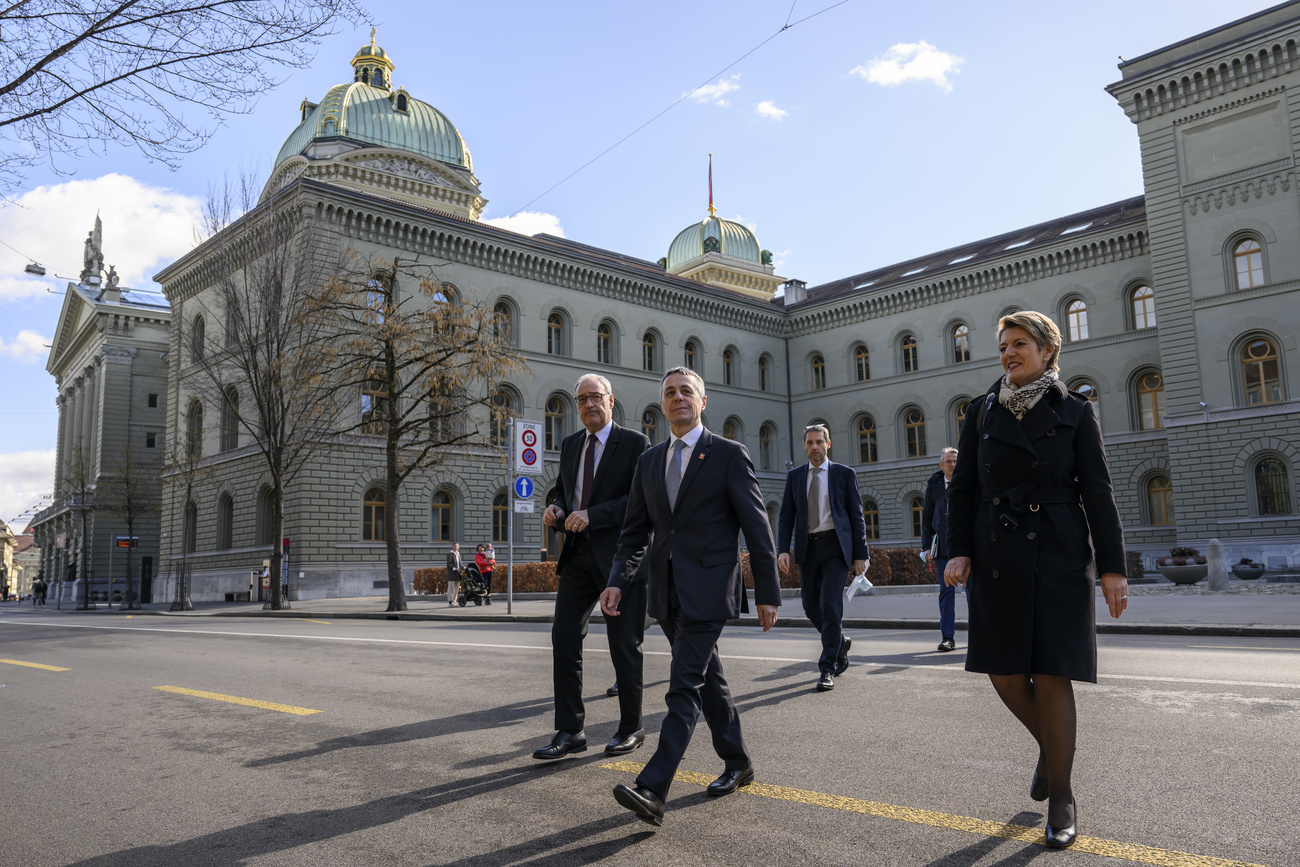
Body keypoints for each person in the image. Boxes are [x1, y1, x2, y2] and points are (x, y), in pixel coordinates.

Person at [944, 310, 1128, 850]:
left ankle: (1063, 794)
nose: (1008, 353)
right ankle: (1052, 749)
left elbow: (1099, 491)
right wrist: (957, 551)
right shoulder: (980, 413)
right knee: (1003, 673)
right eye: (1003, 346)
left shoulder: (1075, 411)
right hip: (997, 548)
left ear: (1048, 351)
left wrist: (1113, 567)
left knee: (1051, 676)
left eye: (1019, 344)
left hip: (1059, 552)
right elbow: (964, 491)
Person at [600, 366, 781, 827]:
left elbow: (758, 529)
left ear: (703, 402)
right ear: (662, 405)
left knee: (683, 686)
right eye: (670, 393)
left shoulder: (727, 454)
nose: (678, 398)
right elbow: (635, 532)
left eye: (687, 392)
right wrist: (618, 578)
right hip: (666, 590)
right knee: (708, 679)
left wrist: (767, 592)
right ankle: (738, 762)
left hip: (711, 586)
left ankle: (653, 788)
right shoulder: (650, 461)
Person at [535, 374, 651, 761]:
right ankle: (570, 730)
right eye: (581, 399)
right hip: (577, 558)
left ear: (611, 400)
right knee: (564, 639)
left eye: (595, 397)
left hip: (621, 559)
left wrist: (592, 514)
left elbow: (639, 502)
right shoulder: (570, 445)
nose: (588, 404)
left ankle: (631, 727)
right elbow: (566, 494)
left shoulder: (635, 443)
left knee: (624, 645)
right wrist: (558, 509)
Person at [776, 424, 869, 691]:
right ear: (804, 446)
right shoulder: (795, 477)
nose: (814, 447)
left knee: (830, 607)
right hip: (808, 549)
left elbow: (856, 516)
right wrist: (783, 549)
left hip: (836, 549)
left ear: (828, 444)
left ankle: (827, 667)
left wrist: (860, 554)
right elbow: (786, 517)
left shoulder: (844, 474)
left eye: (819, 442)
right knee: (809, 606)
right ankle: (840, 641)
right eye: (809, 443)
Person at [921, 447, 960, 652]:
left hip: (968, 549)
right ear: (941, 465)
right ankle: (948, 638)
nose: (953, 465)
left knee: (975, 595)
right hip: (943, 549)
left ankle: (982, 638)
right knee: (946, 594)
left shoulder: (968, 482)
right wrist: (927, 546)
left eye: (955, 461)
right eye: (949, 461)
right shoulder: (934, 487)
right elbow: (926, 518)